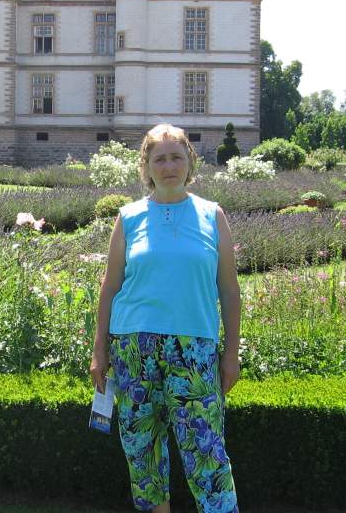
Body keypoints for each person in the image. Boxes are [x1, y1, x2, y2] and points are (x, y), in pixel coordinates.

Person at [90, 124, 241, 513]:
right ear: (147, 166)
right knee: (143, 453)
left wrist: (231, 354)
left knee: (207, 453)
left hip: (194, 350)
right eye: (160, 159)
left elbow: (229, 290)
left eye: (176, 157)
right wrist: (99, 350)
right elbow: (110, 287)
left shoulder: (212, 216)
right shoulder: (129, 217)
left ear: (190, 161)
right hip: (133, 350)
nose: (169, 166)